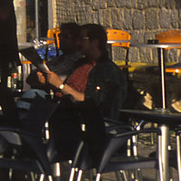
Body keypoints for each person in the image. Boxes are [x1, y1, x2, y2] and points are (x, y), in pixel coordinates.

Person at [36, 24, 129, 158]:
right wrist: (49, 83)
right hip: (63, 111)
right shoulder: (80, 63)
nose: (77, 43)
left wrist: (60, 86)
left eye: (81, 39)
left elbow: (90, 101)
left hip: (83, 121)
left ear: (95, 42)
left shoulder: (107, 71)